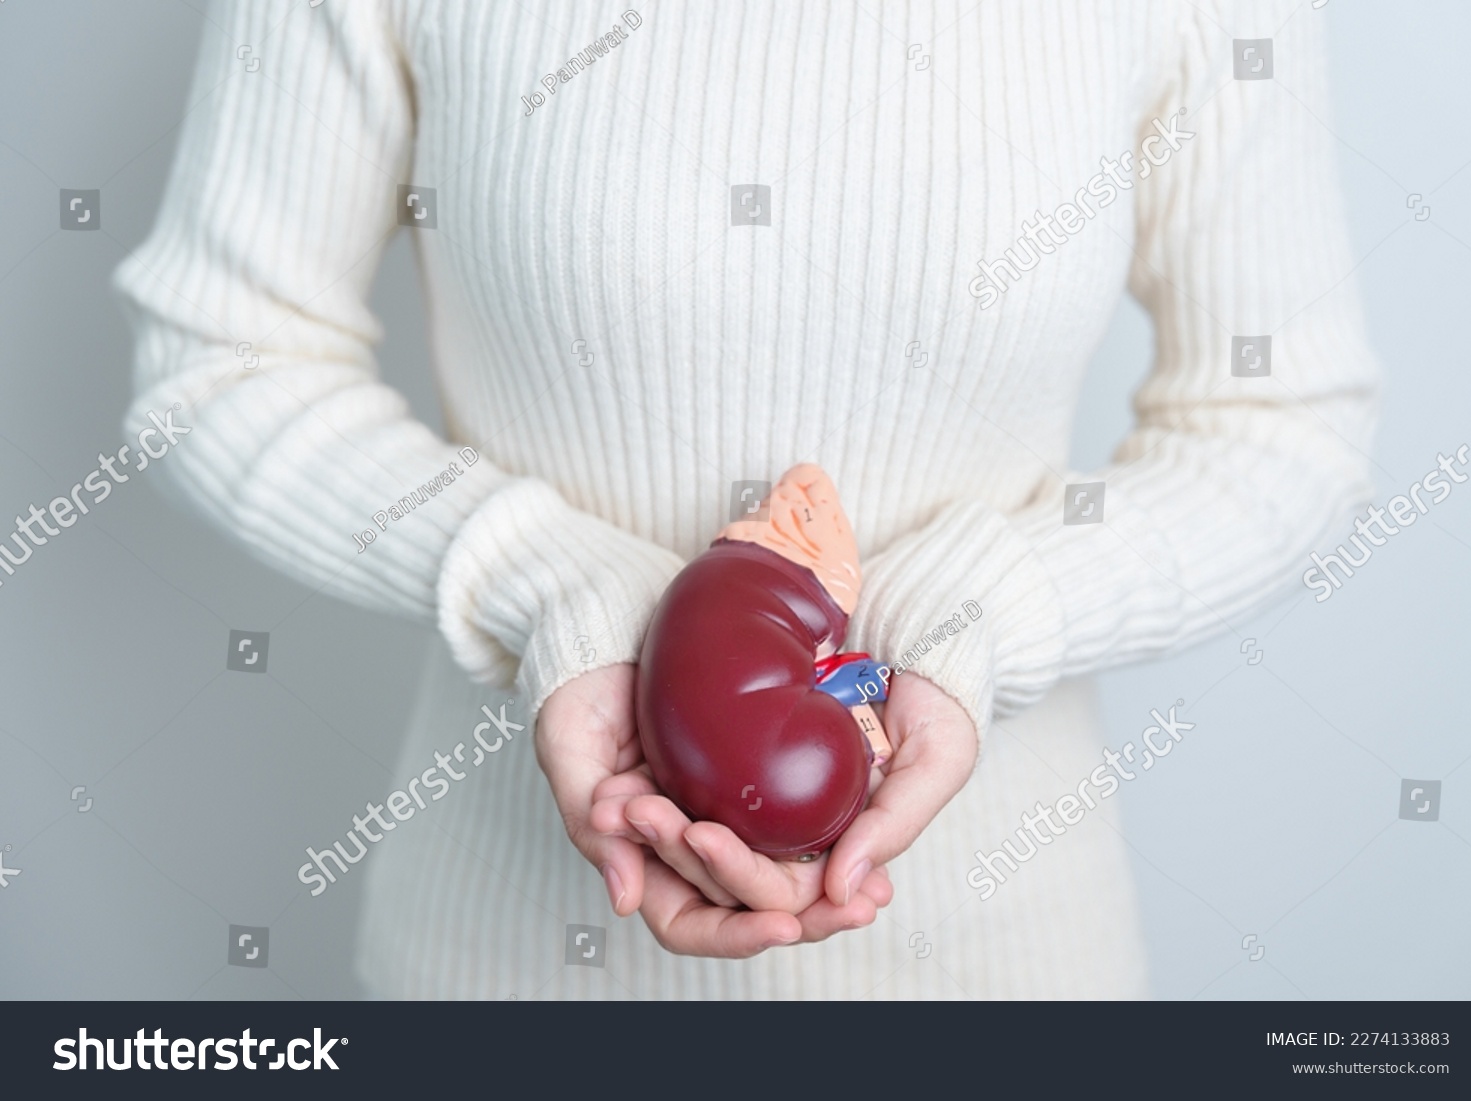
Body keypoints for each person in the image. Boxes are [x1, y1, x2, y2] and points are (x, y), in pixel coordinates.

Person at [114, 1, 1378, 999]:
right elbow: (220, 363)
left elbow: (1276, 422)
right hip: (495, 976)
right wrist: (553, 587)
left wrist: (984, 611)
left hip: (1008, 982)